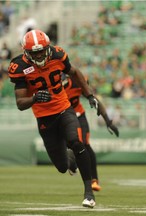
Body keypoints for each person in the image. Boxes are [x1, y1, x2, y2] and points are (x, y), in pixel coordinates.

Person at [8, 29, 99, 208]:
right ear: (27, 53)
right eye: (35, 52)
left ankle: (89, 193)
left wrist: (89, 95)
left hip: (64, 108)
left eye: (42, 50)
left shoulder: (58, 54)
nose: (40, 54)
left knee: (77, 142)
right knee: (62, 167)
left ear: (48, 47)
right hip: (44, 118)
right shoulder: (18, 66)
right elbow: (20, 103)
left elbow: (75, 72)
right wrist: (34, 98)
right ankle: (70, 159)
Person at [62, 74, 119, 191]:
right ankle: (72, 164)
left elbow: (94, 98)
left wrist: (108, 121)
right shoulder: (50, 86)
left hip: (78, 115)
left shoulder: (76, 82)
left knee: (85, 145)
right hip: (62, 117)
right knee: (67, 147)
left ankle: (94, 180)